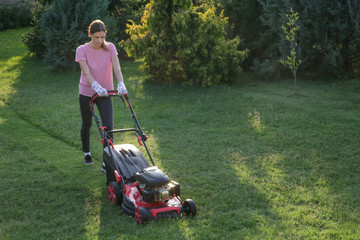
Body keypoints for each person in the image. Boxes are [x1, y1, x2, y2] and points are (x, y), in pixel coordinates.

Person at [75, 19, 127, 165]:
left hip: (106, 93)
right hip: (87, 92)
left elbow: (117, 68)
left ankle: (107, 161)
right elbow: (86, 72)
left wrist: (121, 82)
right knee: (87, 124)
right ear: (90, 35)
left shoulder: (110, 48)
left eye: (102, 37)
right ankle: (87, 153)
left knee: (109, 127)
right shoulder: (82, 50)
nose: (99, 40)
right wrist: (96, 87)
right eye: (96, 37)